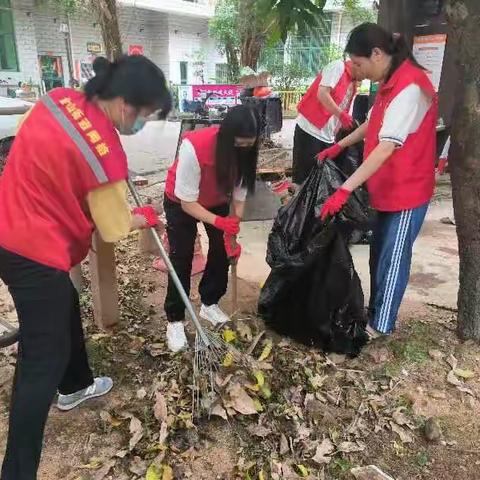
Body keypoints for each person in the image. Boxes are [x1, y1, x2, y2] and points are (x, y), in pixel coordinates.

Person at [0, 55, 171, 480]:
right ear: (126, 104)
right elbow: (112, 228)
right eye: (146, 116)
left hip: (5, 222)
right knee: (43, 359)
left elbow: (32, 153)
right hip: (33, 252)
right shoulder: (105, 156)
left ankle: (76, 385)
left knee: (65, 300)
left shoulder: (55, 100)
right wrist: (144, 216)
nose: (142, 125)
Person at [318, 23, 437, 339]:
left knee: (392, 258)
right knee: (378, 255)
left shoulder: (410, 87)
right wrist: (338, 146)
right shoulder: (389, 83)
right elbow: (372, 125)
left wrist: (345, 189)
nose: (355, 71)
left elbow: (386, 145)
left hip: (407, 191)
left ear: (377, 54)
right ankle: (376, 314)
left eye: (357, 64)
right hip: (385, 188)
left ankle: (381, 327)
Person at [163, 106, 260, 352]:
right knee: (181, 256)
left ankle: (209, 302)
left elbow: (239, 197)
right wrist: (219, 222)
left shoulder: (246, 153)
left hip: (215, 199)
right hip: (180, 201)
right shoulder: (194, 147)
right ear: (226, 138)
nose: (244, 150)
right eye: (239, 145)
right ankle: (175, 319)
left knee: (221, 251)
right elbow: (187, 203)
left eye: (249, 145)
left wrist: (232, 230)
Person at [292, 56, 363, 185]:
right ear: (358, 63)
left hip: (328, 136)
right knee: (304, 178)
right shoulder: (338, 67)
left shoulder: (352, 83)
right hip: (310, 130)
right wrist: (341, 115)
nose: (365, 77)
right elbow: (322, 93)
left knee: (320, 180)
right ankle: (299, 203)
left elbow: (343, 105)